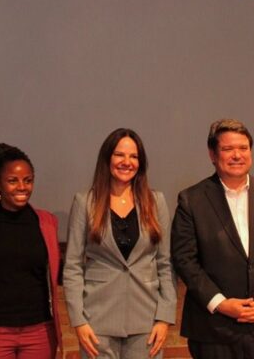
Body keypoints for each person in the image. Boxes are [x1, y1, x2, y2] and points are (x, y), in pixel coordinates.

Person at [171, 118, 254, 359]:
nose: (237, 155)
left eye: (243, 148)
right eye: (228, 149)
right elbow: (184, 259)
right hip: (213, 328)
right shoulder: (191, 199)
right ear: (212, 154)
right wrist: (221, 303)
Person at [64, 128, 176, 358]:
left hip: (146, 321)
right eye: (119, 155)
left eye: (134, 156)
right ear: (107, 158)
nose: (127, 162)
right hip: (97, 320)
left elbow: (166, 263)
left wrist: (164, 318)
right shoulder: (85, 202)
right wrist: (78, 321)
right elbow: (73, 266)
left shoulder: (156, 201)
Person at [0, 143, 62, 359]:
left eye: (28, 180)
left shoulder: (47, 222)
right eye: (12, 180)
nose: (22, 187)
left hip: (39, 331)